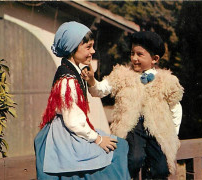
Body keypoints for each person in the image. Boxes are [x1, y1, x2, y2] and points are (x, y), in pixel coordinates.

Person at [34, 21, 130, 180]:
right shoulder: (68, 80)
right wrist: (98, 140)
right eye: (88, 47)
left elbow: (95, 92)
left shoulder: (74, 72)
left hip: (70, 130)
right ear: (73, 48)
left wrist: (91, 80)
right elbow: (73, 121)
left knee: (120, 147)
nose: (93, 51)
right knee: (116, 151)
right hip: (66, 134)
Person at [82, 31, 184, 179]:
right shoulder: (122, 75)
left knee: (162, 167)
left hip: (157, 130)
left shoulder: (166, 81)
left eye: (139, 54)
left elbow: (176, 108)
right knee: (133, 160)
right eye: (132, 53)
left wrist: (172, 135)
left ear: (154, 59)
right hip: (132, 128)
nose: (134, 58)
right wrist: (91, 80)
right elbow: (101, 90)